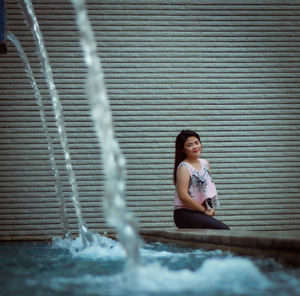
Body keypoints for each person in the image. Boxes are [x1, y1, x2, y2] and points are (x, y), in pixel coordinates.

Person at [173, 129, 230, 230]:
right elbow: (183, 196)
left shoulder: (205, 163)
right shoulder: (184, 167)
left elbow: (209, 189)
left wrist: (209, 208)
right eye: (189, 145)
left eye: (196, 143)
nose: (195, 147)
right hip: (184, 214)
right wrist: (204, 210)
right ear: (182, 149)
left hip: (199, 212)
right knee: (223, 229)